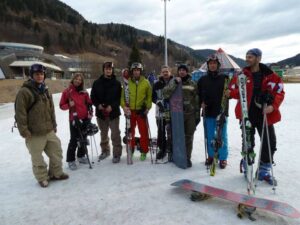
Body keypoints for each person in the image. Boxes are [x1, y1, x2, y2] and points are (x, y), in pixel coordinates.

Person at [228, 48, 285, 184]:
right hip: (247, 114)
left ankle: (263, 170)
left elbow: (280, 91)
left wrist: (273, 106)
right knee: (247, 142)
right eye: (247, 56)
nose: (248, 59)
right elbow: (233, 90)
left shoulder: (270, 75)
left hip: (264, 114)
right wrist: (231, 93)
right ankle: (248, 163)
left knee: (269, 142)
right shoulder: (242, 74)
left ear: (259, 58)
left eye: (251, 57)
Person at [15, 63, 69, 188]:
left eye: (41, 74)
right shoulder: (24, 92)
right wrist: (24, 131)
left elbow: (51, 109)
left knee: (56, 151)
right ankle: (42, 177)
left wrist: (54, 124)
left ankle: (56, 173)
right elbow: (20, 113)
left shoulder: (45, 89)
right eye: (36, 74)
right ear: (32, 75)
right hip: (33, 132)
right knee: (37, 157)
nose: (39, 76)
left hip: (48, 129)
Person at [163, 64, 199, 168]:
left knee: (189, 136)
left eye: (184, 70)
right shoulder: (173, 81)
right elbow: (165, 93)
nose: (182, 72)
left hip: (190, 114)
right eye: (180, 70)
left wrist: (197, 115)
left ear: (187, 72)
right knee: (177, 136)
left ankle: (187, 158)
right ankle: (177, 155)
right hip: (177, 115)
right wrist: (175, 83)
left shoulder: (193, 83)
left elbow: (196, 100)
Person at [197, 55, 229, 169]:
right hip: (208, 112)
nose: (212, 65)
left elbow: (230, 94)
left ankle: (222, 157)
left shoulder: (225, 78)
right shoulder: (202, 80)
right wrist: (200, 103)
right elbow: (198, 94)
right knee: (210, 136)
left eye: (215, 63)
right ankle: (211, 155)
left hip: (221, 112)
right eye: (210, 63)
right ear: (208, 65)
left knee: (222, 136)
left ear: (218, 65)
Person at [59, 73, 93, 170]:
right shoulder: (67, 92)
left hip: (85, 118)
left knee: (83, 138)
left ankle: (81, 156)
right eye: (76, 79)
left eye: (80, 80)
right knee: (74, 140)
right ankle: (71, 160)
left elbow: (89, 103)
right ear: (73, 79)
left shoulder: (84, 92)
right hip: (74, 119)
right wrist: (69, 105)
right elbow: (62, 105)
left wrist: (90, 113)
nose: (78, 81)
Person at [91, 62, 122, 163]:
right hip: (101, 113)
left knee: (115, 134)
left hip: (113, 113)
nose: (108, 70)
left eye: (110, 69)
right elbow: (93, 97)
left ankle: (117, 153)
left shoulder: (117, 83)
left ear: (112, 70)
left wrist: (112, 106)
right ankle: (105, 150)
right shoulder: (96, 83)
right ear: (103, 70)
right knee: (103, 134)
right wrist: (98, 105)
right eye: (106, 69)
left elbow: (119, 98)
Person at [121, 62, 152, 161]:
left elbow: (149, 97)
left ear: (140, 71)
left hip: (141, 111)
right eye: (134, 70)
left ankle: (144, 151)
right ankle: (131, 149)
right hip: (130, 111)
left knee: (143, 132)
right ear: (132, 71)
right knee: (130, 132)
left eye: (138, 70)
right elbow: (122, 97)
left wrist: (147, 108)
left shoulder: (146, 82)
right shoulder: (127, 82)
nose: (136, 72)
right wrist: (124, 107)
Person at [152, 65, 173, 160]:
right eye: (163, 71)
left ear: (170, 72)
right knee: (161, 132)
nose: (165, 73)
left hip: (172, 112)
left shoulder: (174, 82)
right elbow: (153, 96)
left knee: (171, 132)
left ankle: (171, 149)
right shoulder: (157, 84)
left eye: (167, 71)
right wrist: (157, 102)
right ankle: (162, 150)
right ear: (161, 73)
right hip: (160, 112)